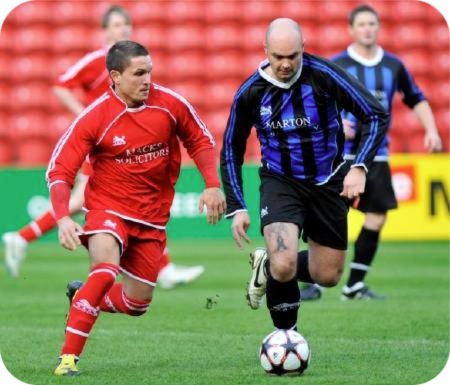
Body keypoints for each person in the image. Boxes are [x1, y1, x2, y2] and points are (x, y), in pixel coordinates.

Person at [49, 40, 225, 376]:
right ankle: (67, 359)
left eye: (150, 72)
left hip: (152, 218)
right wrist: (62, 218)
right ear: (115, 76)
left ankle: (84, 296)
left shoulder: (170, 105)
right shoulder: (95, 117)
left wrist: (212, 184)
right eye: (139, 73)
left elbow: (200, 140)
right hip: (107, 209)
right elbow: (60, 170)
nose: (148, 80)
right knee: (104, 270)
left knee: (137, 304)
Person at [2, 5, 205, 289]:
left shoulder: (134, 63)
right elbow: (61, 83)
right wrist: (82, 113)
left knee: (89, 201)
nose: (122, 29)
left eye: (126, 24)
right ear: (105, 30)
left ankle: (24, 239)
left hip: (125, 140)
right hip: (106, 143)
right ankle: (149, 271)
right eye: (117, 25)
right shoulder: (97, 61)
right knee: (123, 197)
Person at [220, 17, 389, 336]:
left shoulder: (323, 76)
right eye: (278, 56)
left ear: (303, 49)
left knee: (327, 275)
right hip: (280, 182)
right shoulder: (251, 92)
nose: (285, 64)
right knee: (284, 263)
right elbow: (231, 148)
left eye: (292, 56)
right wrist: (237, 205)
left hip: (328, 182)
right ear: (265, 50)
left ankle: (266, 266)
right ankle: (286, 338)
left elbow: (375, 113)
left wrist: (359, 166)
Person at [300, 5, 442, 301]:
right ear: (351, 30)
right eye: (362, 24)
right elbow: (315, 105)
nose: (367, 29)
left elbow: (416, 98)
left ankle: (354, 284)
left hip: (375, 155)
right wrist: (336, 125)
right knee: (321, 216)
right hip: (338, 156)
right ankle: (312, 282)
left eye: (372, 24)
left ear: (378, 28)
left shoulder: (393, 66)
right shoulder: (337, 64)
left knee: (376, 216)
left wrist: (431, 130)